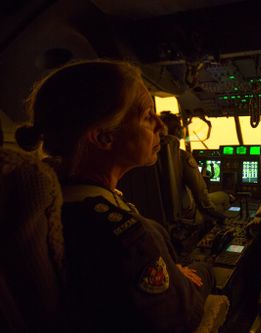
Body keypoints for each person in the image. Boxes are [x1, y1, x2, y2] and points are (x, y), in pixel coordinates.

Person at [15, 60, 215, 333]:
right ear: (104, 137)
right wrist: (204, 270)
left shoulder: (43, 203)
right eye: (147, 116)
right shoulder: (127, 237)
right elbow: (181, 317)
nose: (162, 127)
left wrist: (169, 270)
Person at [159, 111, 230, 224]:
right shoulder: (182, 156)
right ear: (178, 131)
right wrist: (215, 214)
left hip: (158, 216)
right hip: (186, 216)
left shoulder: (148, 156)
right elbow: (201, 194)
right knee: (224, 197)